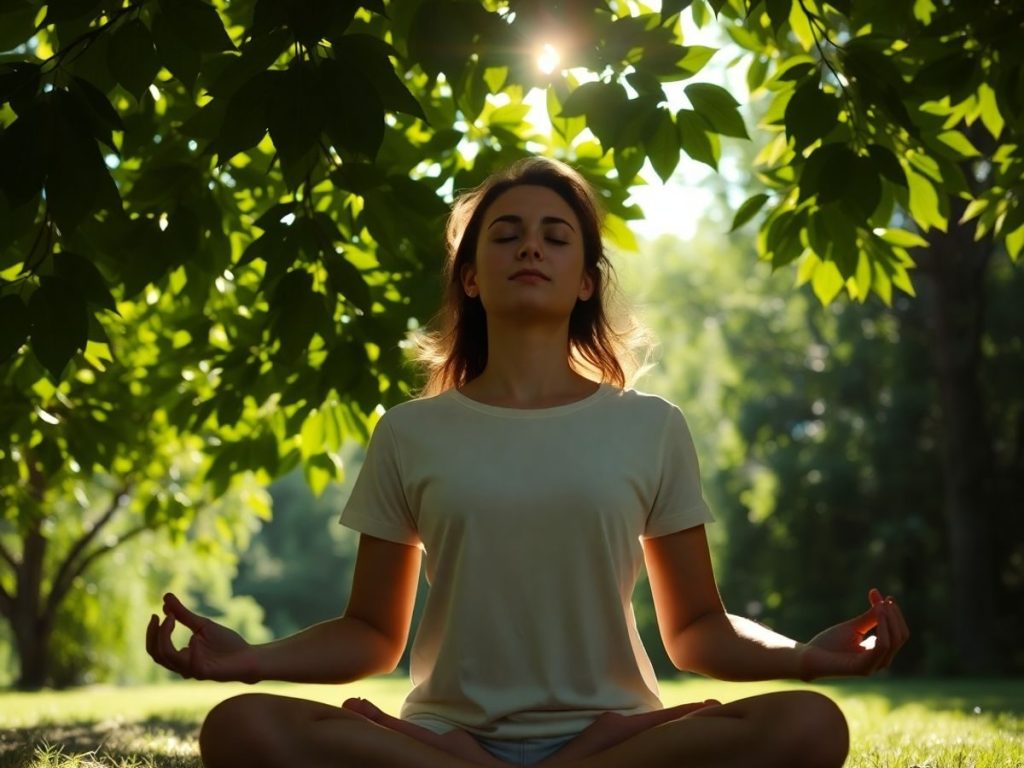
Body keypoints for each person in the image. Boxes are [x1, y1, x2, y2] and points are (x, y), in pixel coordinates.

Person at [146, 156, 909, 768]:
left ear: (584, 281)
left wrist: (802, 656)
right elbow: (373, 633)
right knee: (241, 729)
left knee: (808, 725)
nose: (530, 245)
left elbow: (699, 628)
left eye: (554, 234)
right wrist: (250, 663)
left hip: (619, 738)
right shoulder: (411, 434)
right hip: (448, 738)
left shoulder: (650, 426)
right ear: (471, 277)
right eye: (505, 234)